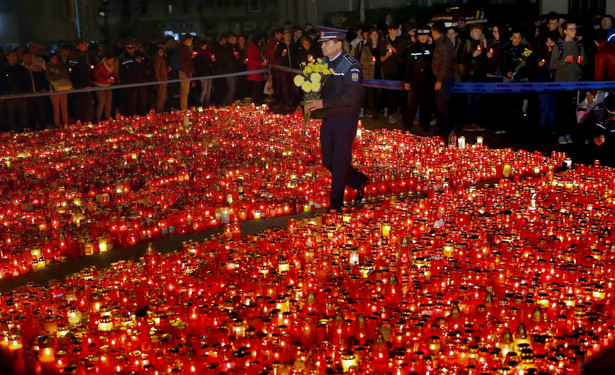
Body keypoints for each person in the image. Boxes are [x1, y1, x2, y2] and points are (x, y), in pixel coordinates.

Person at [304, 26, 369, 213]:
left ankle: (336, 205)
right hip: (329, 117)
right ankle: (357, 180)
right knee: (327, 160)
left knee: (340, 161)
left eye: (327, 43)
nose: (323, 46)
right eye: (322, 43)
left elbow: (350, 97)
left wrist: (322, 102)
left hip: (345, 118)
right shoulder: (323, 63)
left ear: (339, 44)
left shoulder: (351, 65)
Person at [550, 21, 586, 144]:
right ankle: (561, 133)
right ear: (565, 31)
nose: (574, 31)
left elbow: (585, 62)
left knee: (571, 110)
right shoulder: (559, 45)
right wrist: (564, 61)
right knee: (561, 109)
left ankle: (568, 133)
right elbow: (552, 65)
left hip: (575, 82)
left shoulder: (579, 44)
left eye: (575, 29)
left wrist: (581, 61)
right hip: (561, 82)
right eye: (571, 29)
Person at [401, 27, 435, 134]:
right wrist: (406, 81)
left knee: (427, 105)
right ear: (417, 37)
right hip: (415, 81)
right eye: (421, 35)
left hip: (428, 81)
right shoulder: (411, 48)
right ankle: (408, 127)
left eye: (425, 35)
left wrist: (431, 46)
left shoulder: (432, 48)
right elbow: (407, 66)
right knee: (412, 106)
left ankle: (425, 126)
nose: (423, 37)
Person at [458, 24, 487, 131]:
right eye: (476, 31)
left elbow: (483, 61)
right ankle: (466, 122)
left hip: (479, 76)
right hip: (469, 75)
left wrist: (485, 50)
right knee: (469, 99)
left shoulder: (481, 42)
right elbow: (459, 58)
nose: (478, 34)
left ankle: (474, 121)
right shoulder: (466, 43)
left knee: (476, 100)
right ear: (471, 32)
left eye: (479, 32)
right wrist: (472, 55)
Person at [431, 21, 456, 136]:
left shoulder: (444, 44)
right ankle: (443, 127)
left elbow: (445, 63)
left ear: (435, 31)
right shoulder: (441, 42)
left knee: (443, 105)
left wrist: (439, 80)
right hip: (442, 78)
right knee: (440, 104)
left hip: (444, 79)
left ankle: (448, 130)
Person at [118, 40, 149, 116]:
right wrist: (124, 83)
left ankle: (142, 118)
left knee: (142, 102)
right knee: (131, 103)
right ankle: (132, 119)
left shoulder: (141, 55)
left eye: (132, 47)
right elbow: (121, 72)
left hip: (141, 82)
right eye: (129, 48)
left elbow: (148, 65)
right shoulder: (123, 57)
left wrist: (141, 62)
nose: (131, 49)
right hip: (130, 84)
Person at [381, 22, 403, 123]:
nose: (395, 32)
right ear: (389, 30)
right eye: (393, 29)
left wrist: (393, 49)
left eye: (397, 29)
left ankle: (397, 112)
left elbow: (402, 55)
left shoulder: (399, 41)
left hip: (399, 70)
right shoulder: (384, 42)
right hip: (388, 70)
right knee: (390, 93)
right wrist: (387, 55)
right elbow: (381, 58)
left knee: (398, 93)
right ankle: (390, 113)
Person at [68, 38, 94, 123]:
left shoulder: (78, 55)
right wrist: (86, 83)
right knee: (83, 104)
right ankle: (83, 121)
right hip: (81, 83)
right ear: (80, 44)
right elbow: (81, 71)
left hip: (79, 82)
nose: (86, 47)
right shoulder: (77, 55)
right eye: (85, 45)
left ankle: (82, 121)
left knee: (82, 104)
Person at [45, 54, 71, 127]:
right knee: (56, 109)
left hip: (63, 88)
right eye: (53, 58)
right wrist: (59, 75)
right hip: (54, 89)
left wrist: (56, 71)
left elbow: (65, 74)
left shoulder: (61, 65)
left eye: (56, 58)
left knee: (64, 107)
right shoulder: (48, 67)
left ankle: (65, 124)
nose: (55, 59)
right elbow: (49, 78)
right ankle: (58, 124)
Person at [93, 53, 117, 123]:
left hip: (108, 85)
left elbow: (112, 74)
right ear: (106, 60)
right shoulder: (100, 66)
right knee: (102, 102)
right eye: (110, 61)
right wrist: (106, 80)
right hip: (100, 86)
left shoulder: (111, 66)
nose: (111, 62)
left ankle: (107, 117)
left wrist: (112, 79)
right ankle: (98, 118)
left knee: (108, 103)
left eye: (113, 61)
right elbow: (95, 76)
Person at [177, 34, 196, 110]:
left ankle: (184, 107)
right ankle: (184, 108)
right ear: (188, 39)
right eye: (191, 40)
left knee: (185, 90)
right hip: (184, 71)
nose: (191, 42)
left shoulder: (184, 48)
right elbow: (184, 61)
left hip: (186, 70)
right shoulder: (182, 48)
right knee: (184, 91)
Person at [246, 34, 267, 105]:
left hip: (256, 70)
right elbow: (251, 60)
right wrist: (260, 63)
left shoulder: (253, 47)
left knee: (257, 87)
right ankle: (254, 102)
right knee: (256, 88)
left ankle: (255, 102)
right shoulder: (252, 47)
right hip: (254, 71)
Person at [194, 37, 215, 107]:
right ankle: (201, 103)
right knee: (204, 89)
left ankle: (207, 102)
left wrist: (213, 60)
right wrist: (200, 76)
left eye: (205, 45)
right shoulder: (199, 55)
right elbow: (198, 66)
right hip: (203, 74)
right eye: (203, 45)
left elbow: (211, 63)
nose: (204, 46)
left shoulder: (208, 53)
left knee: (209, 89)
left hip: (209, 73)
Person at [152, 46, 169, 113]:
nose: (161, 53)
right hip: (161, 82)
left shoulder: (160, 59)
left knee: (163, 98)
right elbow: (157, 71)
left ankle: (160, 112)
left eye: (162, 52)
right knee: (161, 98)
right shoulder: (158, 60)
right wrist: (161, 81)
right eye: (160, 52)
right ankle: (159, 113)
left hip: (163, 80)